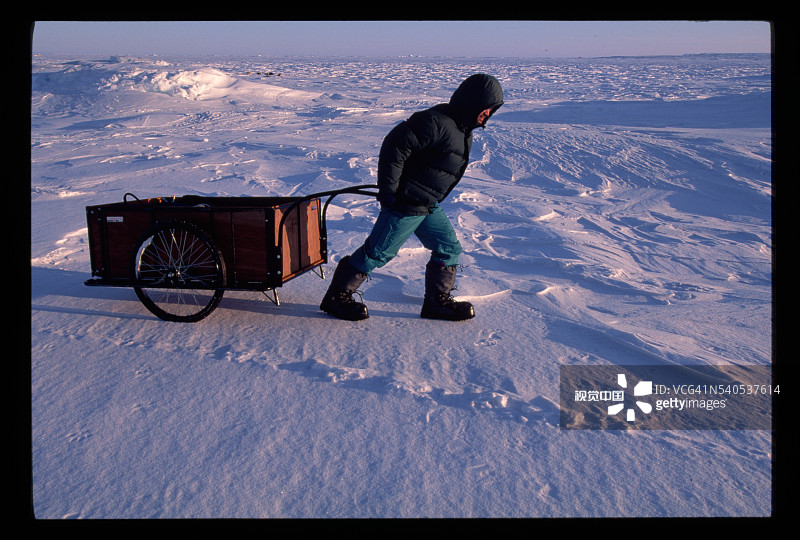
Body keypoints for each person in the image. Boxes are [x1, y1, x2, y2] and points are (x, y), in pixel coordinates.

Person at [320, 73, 504, 321]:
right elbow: (395, 145)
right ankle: (337, 297)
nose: (488, 115)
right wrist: (390, 191)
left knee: (448, 247)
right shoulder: (435, 121)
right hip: (406, 202)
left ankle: (436, 303)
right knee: (378, 252)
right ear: (472, 103)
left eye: (492, 110)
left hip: (427, 203)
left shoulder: (461, 127)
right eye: (486, 108)